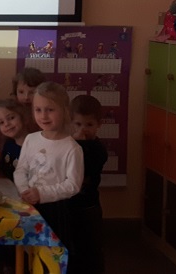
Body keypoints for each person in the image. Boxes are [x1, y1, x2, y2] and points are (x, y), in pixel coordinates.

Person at [14, 81, 83, 269]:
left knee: (52, 257)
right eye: (38, 110)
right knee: (30, 251)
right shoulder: (31, 139)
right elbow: (21, 170)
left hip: (56, 211)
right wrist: (25, 191)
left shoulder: (72, 148)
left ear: (65, 111)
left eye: (50, 110)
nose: (43, 116)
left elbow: (73, 185)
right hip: (30, 206)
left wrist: (41, 194)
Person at [69, 95, 108, 274]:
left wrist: (80, 144)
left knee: (91, 249)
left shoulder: (98, 149)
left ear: (99, 124)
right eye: (78, 124)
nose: (83, 129)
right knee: (72, 248)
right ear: (71, 122)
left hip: (88, 207)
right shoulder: (68, 144)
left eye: (89, 125)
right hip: (69, 206)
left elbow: (86, 167)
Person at [0, 98, 31, 181]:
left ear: (23, 117)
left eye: (11, 118)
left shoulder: (34, 147)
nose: (6, 124)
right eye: (1, 122)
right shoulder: (8, 144)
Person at [13, 67, 46, 134]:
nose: (26, 97)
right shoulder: (12, 110)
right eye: (21, 92)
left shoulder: (45, 111)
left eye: (31, 92)